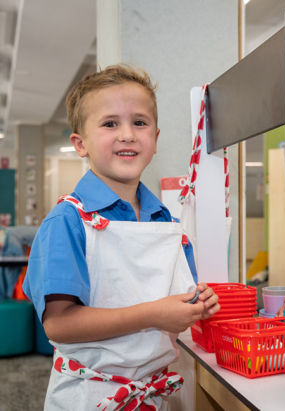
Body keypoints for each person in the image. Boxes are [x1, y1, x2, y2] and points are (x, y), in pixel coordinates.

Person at [23, 64, 220, 410]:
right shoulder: (67, 222)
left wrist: (199, 303)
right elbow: (59, 324)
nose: (127, 134)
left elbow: (174, 299)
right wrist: (154, 314)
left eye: (139, 123)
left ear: (155, 139)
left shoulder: (167, 223)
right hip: (89, 397)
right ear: (80, 143)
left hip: (152, 394)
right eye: (110, 123)